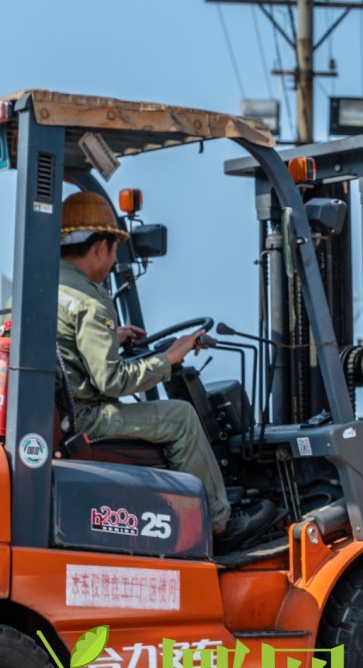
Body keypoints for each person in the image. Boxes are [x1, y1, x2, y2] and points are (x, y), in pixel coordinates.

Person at [55, 192, 274, 548]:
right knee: (181, 417)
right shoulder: (90, 304)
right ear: (99, 247)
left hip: (61, 412)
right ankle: (220, 524)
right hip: (86, 417)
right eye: (112, 251)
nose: (112, 262)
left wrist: (114, 338)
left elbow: (71, 348)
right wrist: (169, 358)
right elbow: (111, 381)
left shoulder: (43, 289)